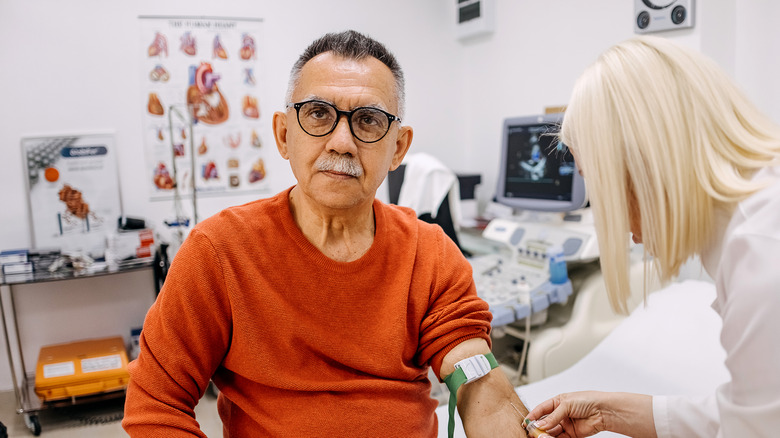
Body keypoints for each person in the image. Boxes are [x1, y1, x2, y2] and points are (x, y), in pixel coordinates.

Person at [123, 30, 528, 437]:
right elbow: (156, 403)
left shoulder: (431, 254)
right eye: (318, 113)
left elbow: (477, 380)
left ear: (399, 149)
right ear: (284, 135)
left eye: (368, 121)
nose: (342, 142)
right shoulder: (219, 252)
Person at [524, 36, 780, 437]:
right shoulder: (756, 220)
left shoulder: (762, 256)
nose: (619, 226)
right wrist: (609, 413)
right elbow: (753, 413)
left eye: (601, 188)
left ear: (645, 163)